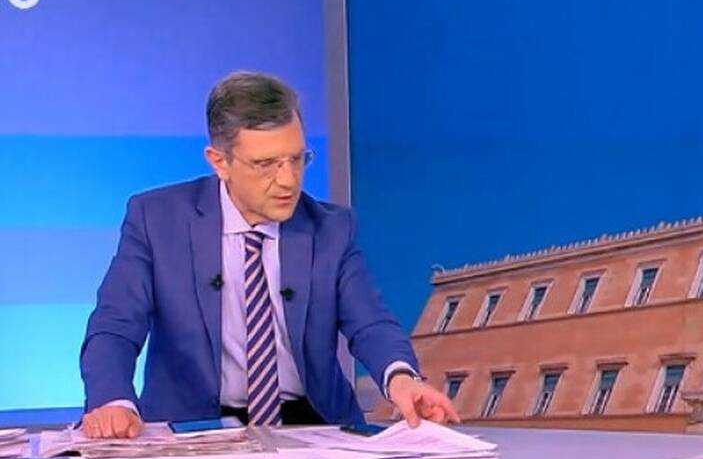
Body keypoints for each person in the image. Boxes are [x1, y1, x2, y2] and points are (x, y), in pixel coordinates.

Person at [79, 71, 457, 438]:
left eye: (297, 159)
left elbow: (370, 323)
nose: (288, 180)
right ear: (219, 161)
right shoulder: (157, 220)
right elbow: (115, 325)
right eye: (265, 164)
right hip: (194, 430)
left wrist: (402, 378)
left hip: (313, 428)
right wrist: (113, 401)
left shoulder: (330, 229)